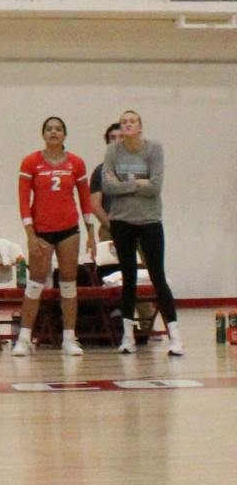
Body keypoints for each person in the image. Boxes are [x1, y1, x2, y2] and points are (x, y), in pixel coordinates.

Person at [11, 117, 97, 357]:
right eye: (49, 129)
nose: (53, 132)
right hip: (41, 230)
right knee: (35, 283)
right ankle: (24, 338)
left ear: (64, 135)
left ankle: (69, 338)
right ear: (43, 134)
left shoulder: (76, 163)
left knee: (68, 283)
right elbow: (23, 201)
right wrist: (30, 234)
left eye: (58, 129)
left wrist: (91, 233)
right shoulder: (31, 162)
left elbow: (85, 199)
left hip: (69, 229)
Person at [102, 109, 180, 355]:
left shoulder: (153, 149)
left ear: (140, 126)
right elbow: (107, 186)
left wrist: (123, 183)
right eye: (124, 122)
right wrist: (138, 182)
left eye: (132, 121)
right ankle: (128, 337)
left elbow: (155, 187)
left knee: (157, 275)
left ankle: (175, 336)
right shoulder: (113, 151)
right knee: (129, 277)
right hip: (121, 221)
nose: (127, 125)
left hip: (149, 220)